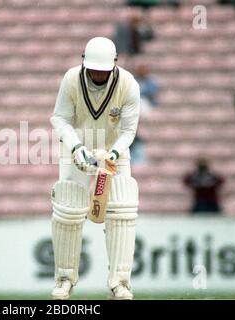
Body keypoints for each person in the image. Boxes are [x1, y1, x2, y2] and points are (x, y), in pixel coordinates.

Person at [50, 37, 140, 300]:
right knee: (67, 210)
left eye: (103, 70)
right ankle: (64, 280)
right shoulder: (71, 79)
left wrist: (112, 154)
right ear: (84, 63)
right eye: (93, 70)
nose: (98, 75)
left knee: (123, 210)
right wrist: (77, 148)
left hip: (115, 151)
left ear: (114, 64)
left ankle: (120, 283)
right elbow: (60, 118)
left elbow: (129, 130)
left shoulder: (128, 84)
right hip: (77, 150)